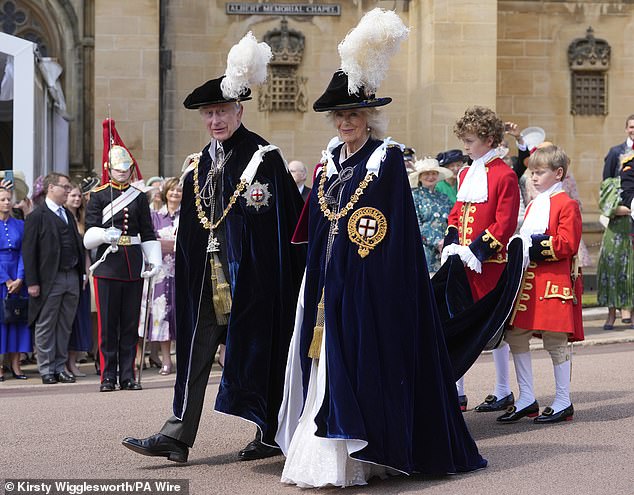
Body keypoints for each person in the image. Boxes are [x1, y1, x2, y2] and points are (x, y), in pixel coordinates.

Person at [276, 9, 486, 488]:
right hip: (328, 278)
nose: (346, 122)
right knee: (325, 362)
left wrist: (363, 273)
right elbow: (320, 221)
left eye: (354, 114)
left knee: (358, 360)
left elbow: (387, 227)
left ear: (368, 116)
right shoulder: (330, 160)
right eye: (340, 115)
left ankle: (368, 452)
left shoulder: (385, 157)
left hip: (370, 280)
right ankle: (333, 454)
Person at [122, 32, 305, 464]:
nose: (215, 120)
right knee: (193, 351)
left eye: (222, 110)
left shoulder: (265, 157)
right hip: (206, 277)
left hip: (253, 277)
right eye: (209, 113)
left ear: (239, 110)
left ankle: (271, 431)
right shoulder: (199, 162)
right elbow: (192, 226)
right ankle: (177, 436)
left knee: (262, 350)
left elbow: (280, 224)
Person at [442, 106, 520, 413]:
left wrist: (476, 250)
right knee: (455, 322)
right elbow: (456, 212)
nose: (465, 146)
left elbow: (505, 222)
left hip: (487, 263)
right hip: (459, 261)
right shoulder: (465, 172)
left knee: (492, 329)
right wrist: (451, 242)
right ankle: (457, 390)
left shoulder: (505, 175)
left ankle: (503, 390)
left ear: (488, 140)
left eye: (470, 140)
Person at [501, 144, 583, 424]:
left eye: (539, 172)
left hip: (553, 281)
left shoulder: (567, 204)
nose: (533, 177)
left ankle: (563, 401)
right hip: (529, 283)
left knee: (555, 342)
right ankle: (526, 398)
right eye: (531, 172)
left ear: (558, 173)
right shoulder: (536, 203)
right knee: (516, 335)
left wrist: (532, 244)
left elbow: (567, 244)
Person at [84, 119, 161, 392]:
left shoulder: (138, 197)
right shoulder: (99, 196)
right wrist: (105, 235)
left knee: (130, 324)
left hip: (132, 266)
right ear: (110, 169)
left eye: (127, 169)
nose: (123, 173)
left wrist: (154, 260)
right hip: (108, 265)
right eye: (119, 169)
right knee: (108, 326)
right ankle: (108, 375)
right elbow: (90, 230)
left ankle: (127, 375)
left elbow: (147, 231)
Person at [23, 172, 84, 385]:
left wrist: (81, 273)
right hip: (49, 279)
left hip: (71, 276)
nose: (67, 191)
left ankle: (59, 367)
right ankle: (47, 368)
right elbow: (29, 252)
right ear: (51, 188)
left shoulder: (67, 214)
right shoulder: (36, 216)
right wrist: (32, 282)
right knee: (46, 324)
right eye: (64, 187)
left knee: (65, 324)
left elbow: (75, 244)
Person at [137, 177, 181, 375]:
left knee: (180, 315)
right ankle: (165, 360)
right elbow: (149, 242)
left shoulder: (188, 215)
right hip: (161, 274)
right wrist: (168, 245)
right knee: (162, 314)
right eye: (172, 191)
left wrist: (170, 245)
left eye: (179, 191)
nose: (175, 194)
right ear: (165, 193)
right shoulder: (155, 216)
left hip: (181, 273)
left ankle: (182, 358)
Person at [0, 186, 30, 381]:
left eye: (9, 199)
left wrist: (19, 278)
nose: (6, 202)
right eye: (2, 199)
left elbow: (24, 252)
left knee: (18, 321)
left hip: (18, 275)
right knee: (1, 322)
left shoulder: (20, 224)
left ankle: (16, 365)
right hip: (2, 276)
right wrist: (6, 279)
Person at [65, 183, 92, 377]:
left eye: (79, 196)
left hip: (82, 273)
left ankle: (73, 361)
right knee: (68, 321)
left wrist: (87, 271)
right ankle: (64, 362)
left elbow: (87, 251)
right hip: (68, 273)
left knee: (80, 320)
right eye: (73, 196)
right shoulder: (62, 217)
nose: (77, 199)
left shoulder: (83, 219)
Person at [408, 157, 453, 273]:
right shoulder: (414, 196)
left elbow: (453, 220)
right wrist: (437, 241)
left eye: (434, 173)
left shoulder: (444, 197)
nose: (430, 177)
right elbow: (413, 224)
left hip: (445, 251)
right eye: (426, 174)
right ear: (420, 177)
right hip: (423, 251)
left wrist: (448, 241)